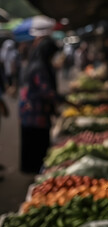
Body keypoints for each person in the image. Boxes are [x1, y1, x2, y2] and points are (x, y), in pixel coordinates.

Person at [19, 36, 68, 174]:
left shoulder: (34, 63)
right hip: (35, 112)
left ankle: (35, 170)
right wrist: (65, 100)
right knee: (38, 144)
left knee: (34, 143)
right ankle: (38, 172)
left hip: (31, 111)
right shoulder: (40, 67)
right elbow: (47, 91)